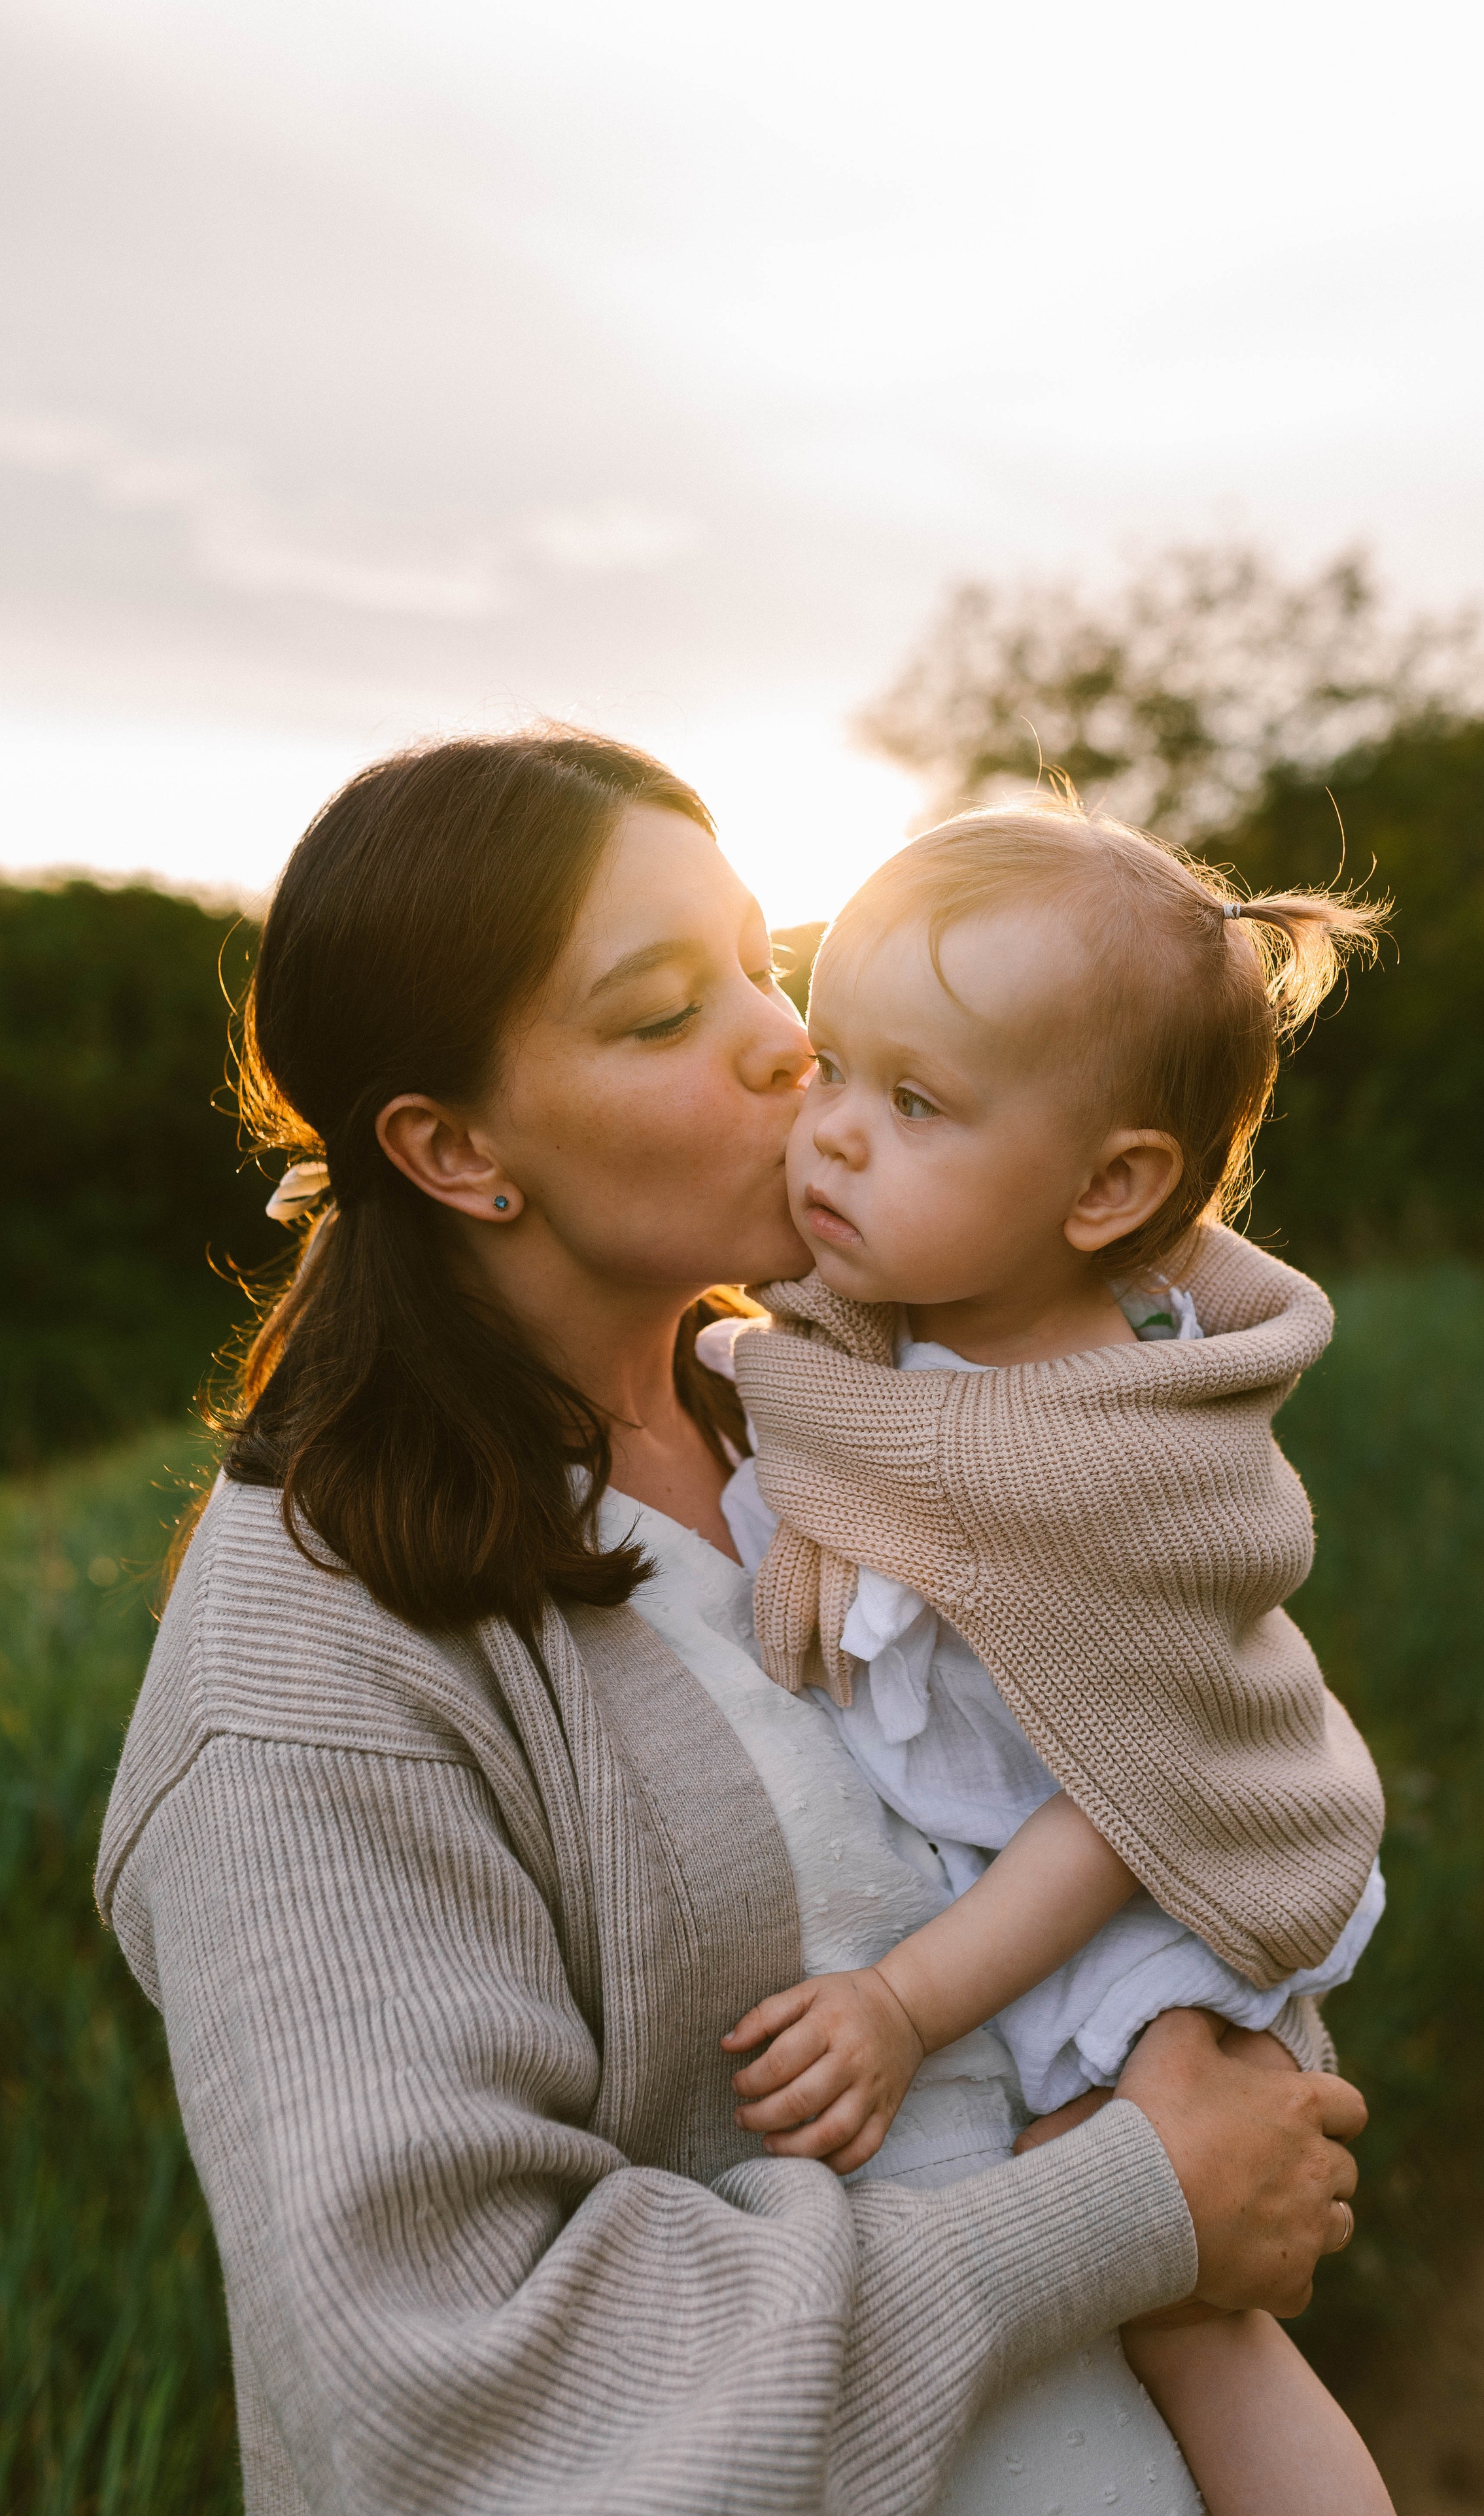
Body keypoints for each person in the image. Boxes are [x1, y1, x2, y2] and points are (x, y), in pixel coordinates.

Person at [95, 729, 1368, 2516]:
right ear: (456, 1150)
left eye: (759, 964)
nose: (783, 1040)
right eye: (658, 1013)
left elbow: (1171, 1721)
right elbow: (446, 2408)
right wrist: (1133, 2207)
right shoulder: (312, 1665)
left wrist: (1201, 2073)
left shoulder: (820, 1409)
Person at [702, 806, 1396, 2513]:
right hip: (1029, 1887)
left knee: (1195, 2323)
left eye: (918, 1105)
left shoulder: (1104, 1456)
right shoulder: (899, 1334)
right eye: (837, 1065)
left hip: (1136, 1924)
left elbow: (1128, 1800)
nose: (838, 1140)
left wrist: (902, 1999)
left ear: (1110, 1189)